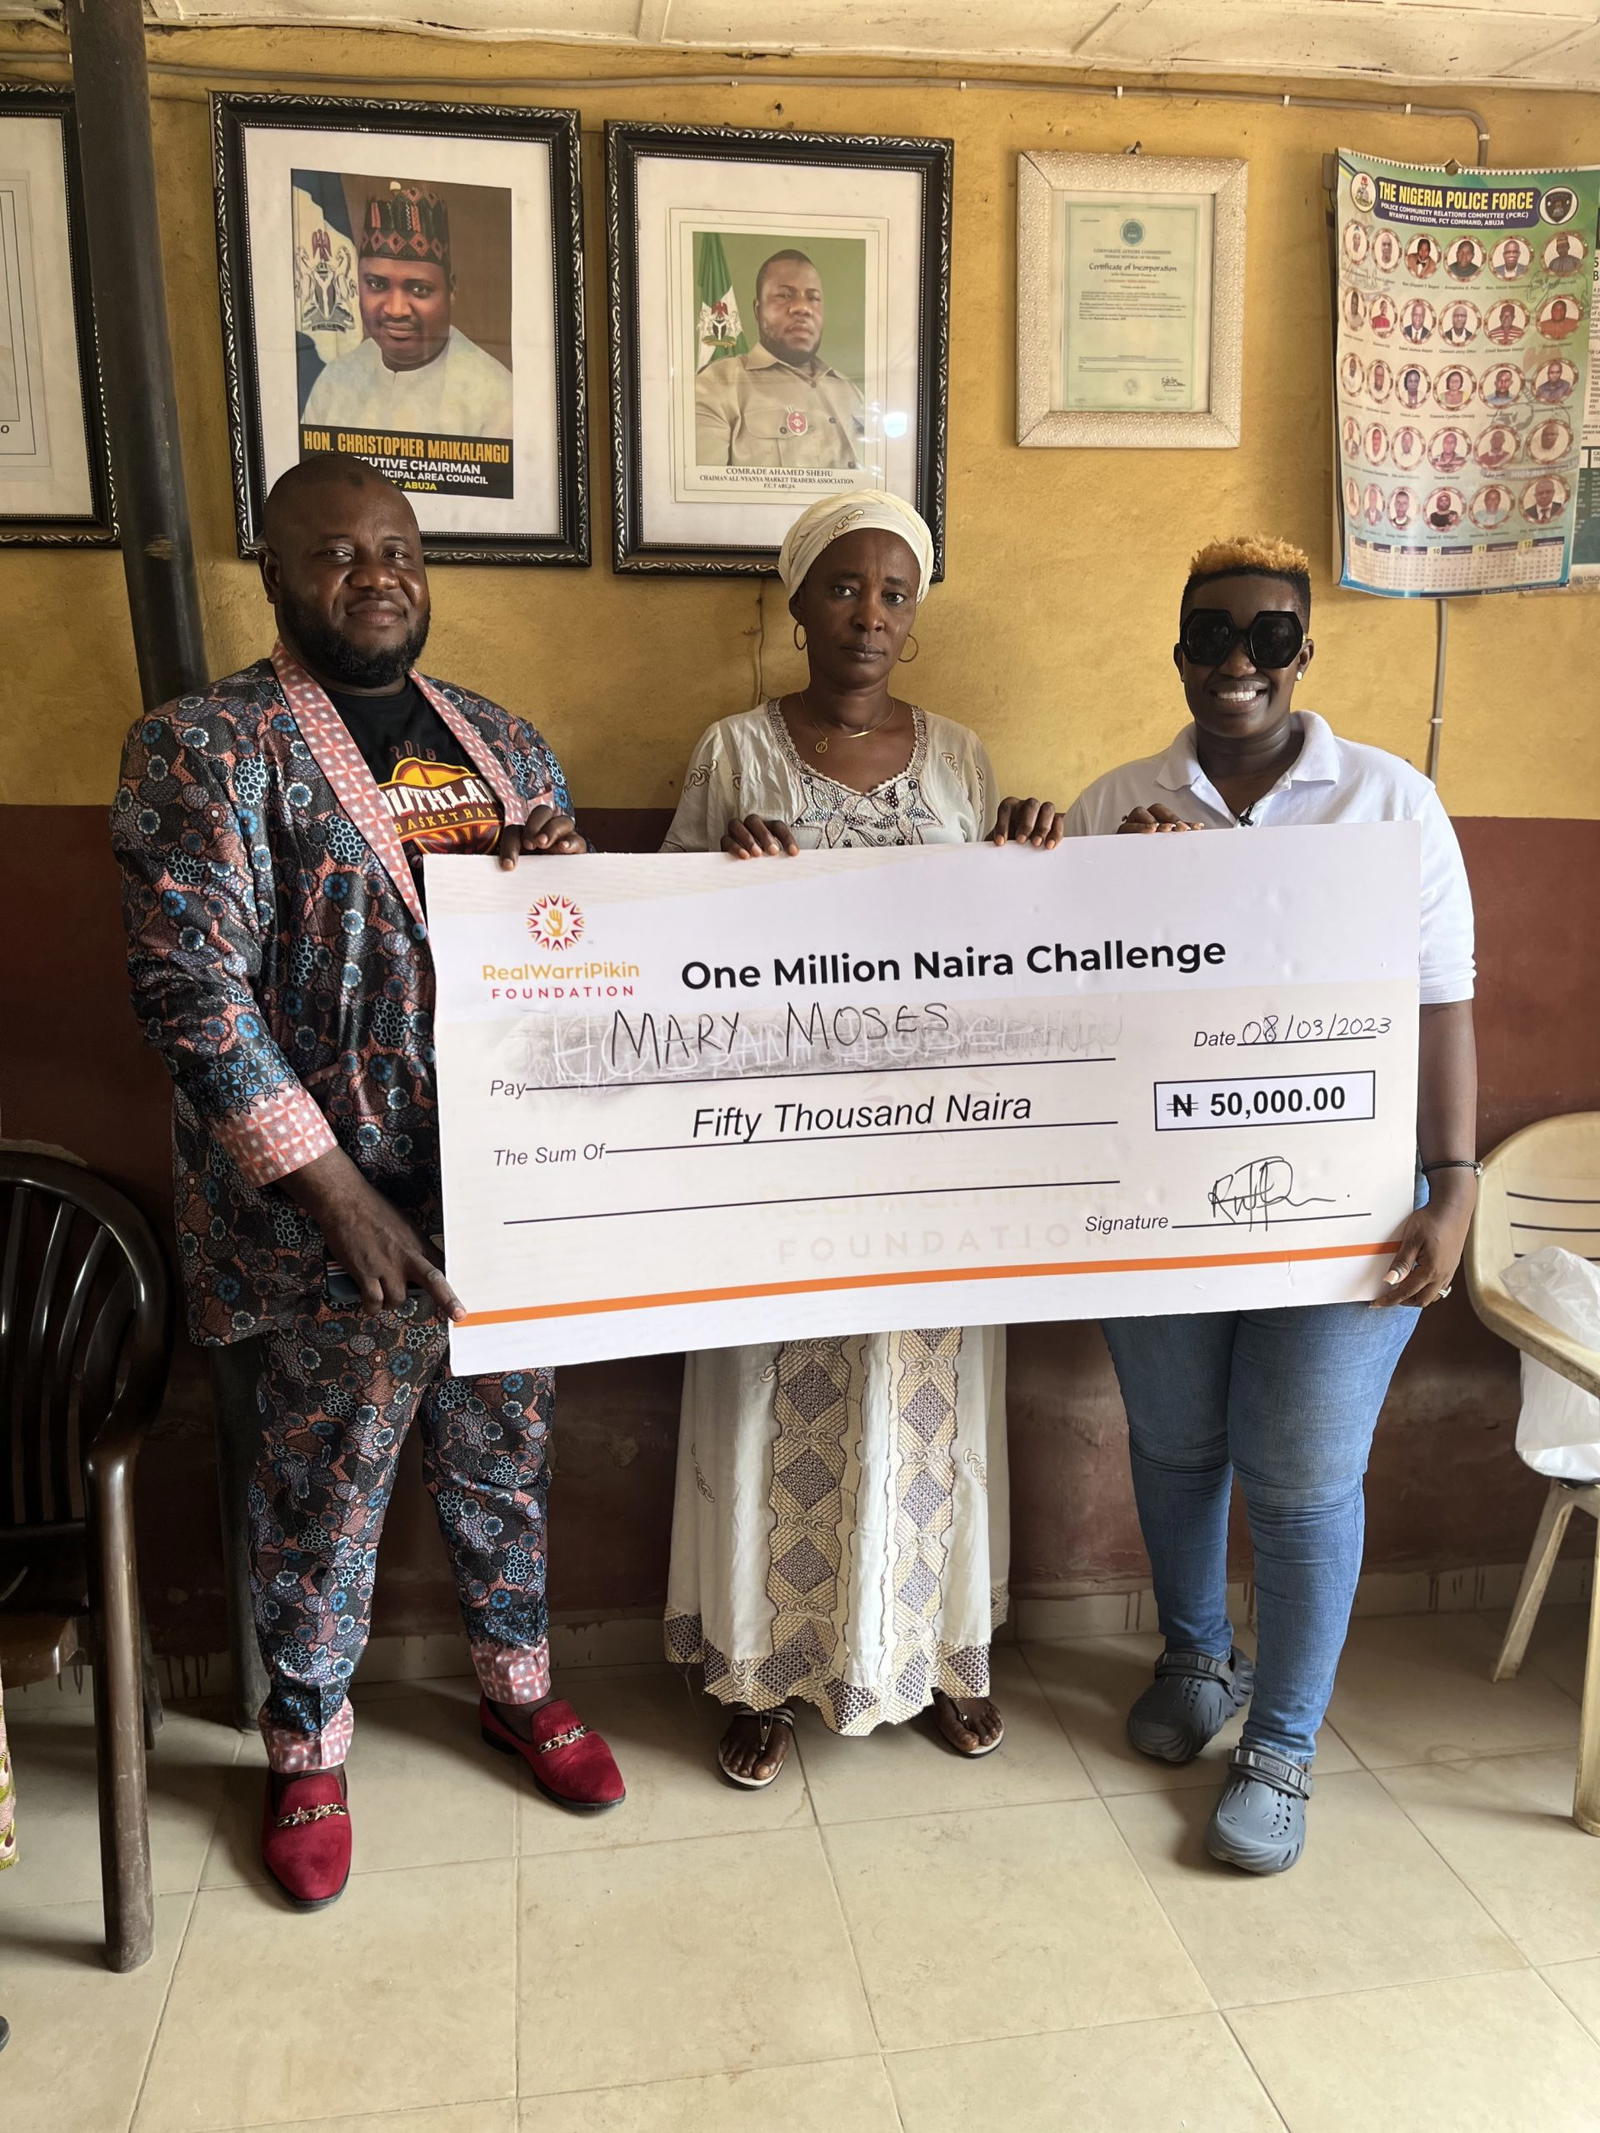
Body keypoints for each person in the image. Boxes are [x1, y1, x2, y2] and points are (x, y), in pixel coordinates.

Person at [111, 454, 624, 1910]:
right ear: (274, 574)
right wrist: (337, 1194)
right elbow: (191, 993)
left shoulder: (503, 745)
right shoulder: (205, 746)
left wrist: (562, 890)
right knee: (320, 1487)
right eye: (337, 553)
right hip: (325, 1217)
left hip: (503, 1192)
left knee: (504, 1455)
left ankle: (516, 1687)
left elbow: (573, 961)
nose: (376, 575)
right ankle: (308, 1748)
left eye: (397, 548)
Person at [1062, 535, 1477, 1875]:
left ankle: (1283, 1744)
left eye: (1268, 635)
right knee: (1178, 1446)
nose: (1236, 661)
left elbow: (1442, 1002)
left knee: (1300, 1478)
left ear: (1305, 648)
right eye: (1209, 634)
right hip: (1159, 1199)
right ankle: (1198, 1658)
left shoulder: (1390, 801)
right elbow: (1066, 1003)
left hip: (1345, 1209)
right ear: (1178, 647)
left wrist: (1456, 1185)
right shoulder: (1116, 801)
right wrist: (1125, 889)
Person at [661, 491, 1061, 1786]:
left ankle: (934, 1657)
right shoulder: (733, 752)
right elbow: (654, 950)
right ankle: (763, 1670)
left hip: (928, 1158)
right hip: (778, 1153)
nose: (869, 614)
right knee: (770, 1391)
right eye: (842, 587)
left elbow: (1002, 952)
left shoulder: (962, 760)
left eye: (894, 592)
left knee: (924, 1404)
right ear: (797, 605)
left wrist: (1029, 860)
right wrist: (720, 878)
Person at [302, 185, 513, 438]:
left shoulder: (497, 399)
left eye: (419, 289)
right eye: (377, 284)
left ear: (451, 290)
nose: (396, 310)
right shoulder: (335, 381)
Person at [694, 249, 868, 468]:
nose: (803, 308)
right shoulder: (717, 385)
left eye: (813, 298)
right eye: (784, 295)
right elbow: (701, 487)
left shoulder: (851, 392)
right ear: (758, 310)